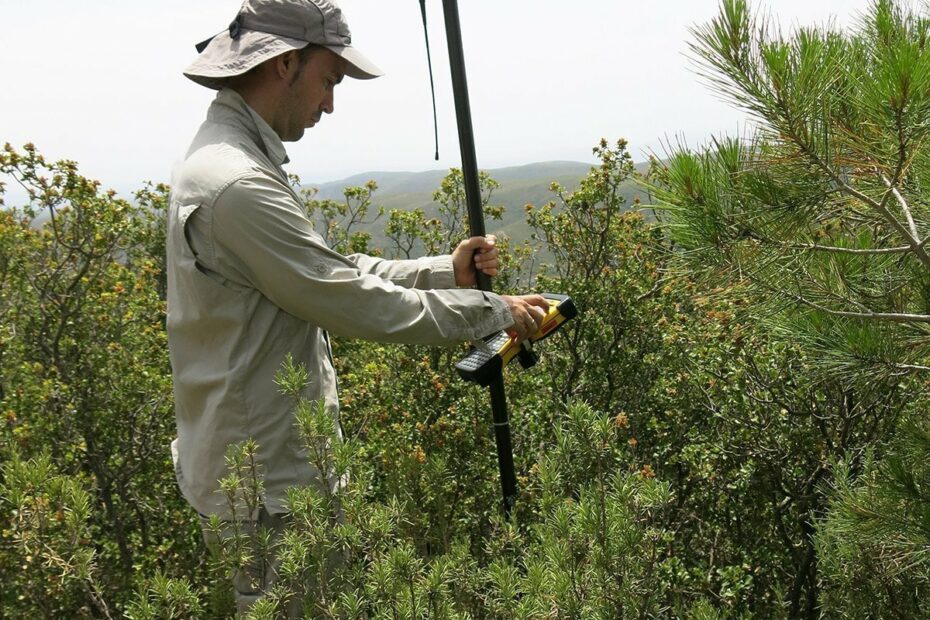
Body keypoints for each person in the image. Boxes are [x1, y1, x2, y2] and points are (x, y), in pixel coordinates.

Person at [166, 0, 549, 613]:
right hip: (269, 496)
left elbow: (328, 272)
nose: (330, 103)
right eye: (330, 80)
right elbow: (352, 300)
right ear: (286, 63)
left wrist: (442, 273)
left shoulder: (231, 163)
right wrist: (490, 310)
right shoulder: (237, 185)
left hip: (261, 477)